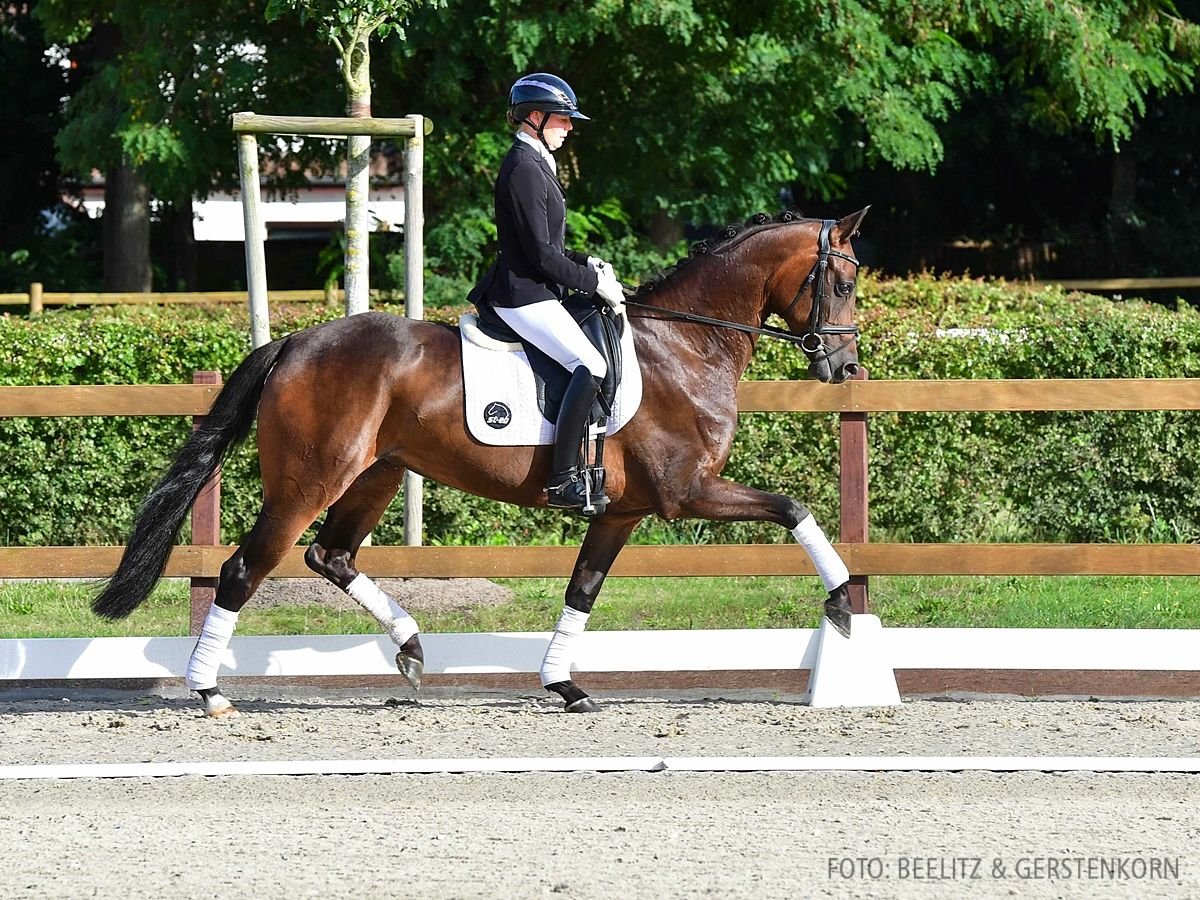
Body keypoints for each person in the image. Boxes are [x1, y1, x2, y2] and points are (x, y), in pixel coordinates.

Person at [468, 72, 626, 512]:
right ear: (534, 117)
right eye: (563, 120)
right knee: (590, 364)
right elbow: (539, 255)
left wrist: (586, 262)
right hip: (522, 293)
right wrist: (594, 285)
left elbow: (549, 245)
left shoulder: (536, 162)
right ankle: (562, 481)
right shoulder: (522, 168)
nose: (570, 128)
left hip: (537, 285)